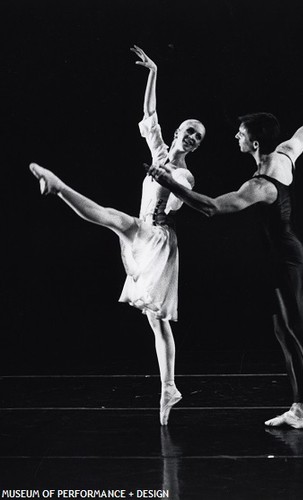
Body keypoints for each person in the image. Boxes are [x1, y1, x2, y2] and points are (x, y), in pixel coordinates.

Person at [147, 83, 303, 441]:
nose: (236, 136)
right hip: (280, 257)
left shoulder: (259, 185)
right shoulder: (286, 153)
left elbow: (212, 207)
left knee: (298, 327)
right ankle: (299, 409)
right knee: (282, 330)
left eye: (240, 134)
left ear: (254, 143)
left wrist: (171, 184)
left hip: (287, 258)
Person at [29, 45, 206, 426]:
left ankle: (58, 186)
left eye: (198, 139)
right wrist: (154, 72)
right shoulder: (159, 152)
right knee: (156, 322)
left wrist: (169, 183)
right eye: (190, 132)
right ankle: (169, 387)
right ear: (179, 132)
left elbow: (177, 202)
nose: (192, 139)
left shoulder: (186, 175)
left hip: (157, 238)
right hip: (144, 232)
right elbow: (149, 116)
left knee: (111, 218)